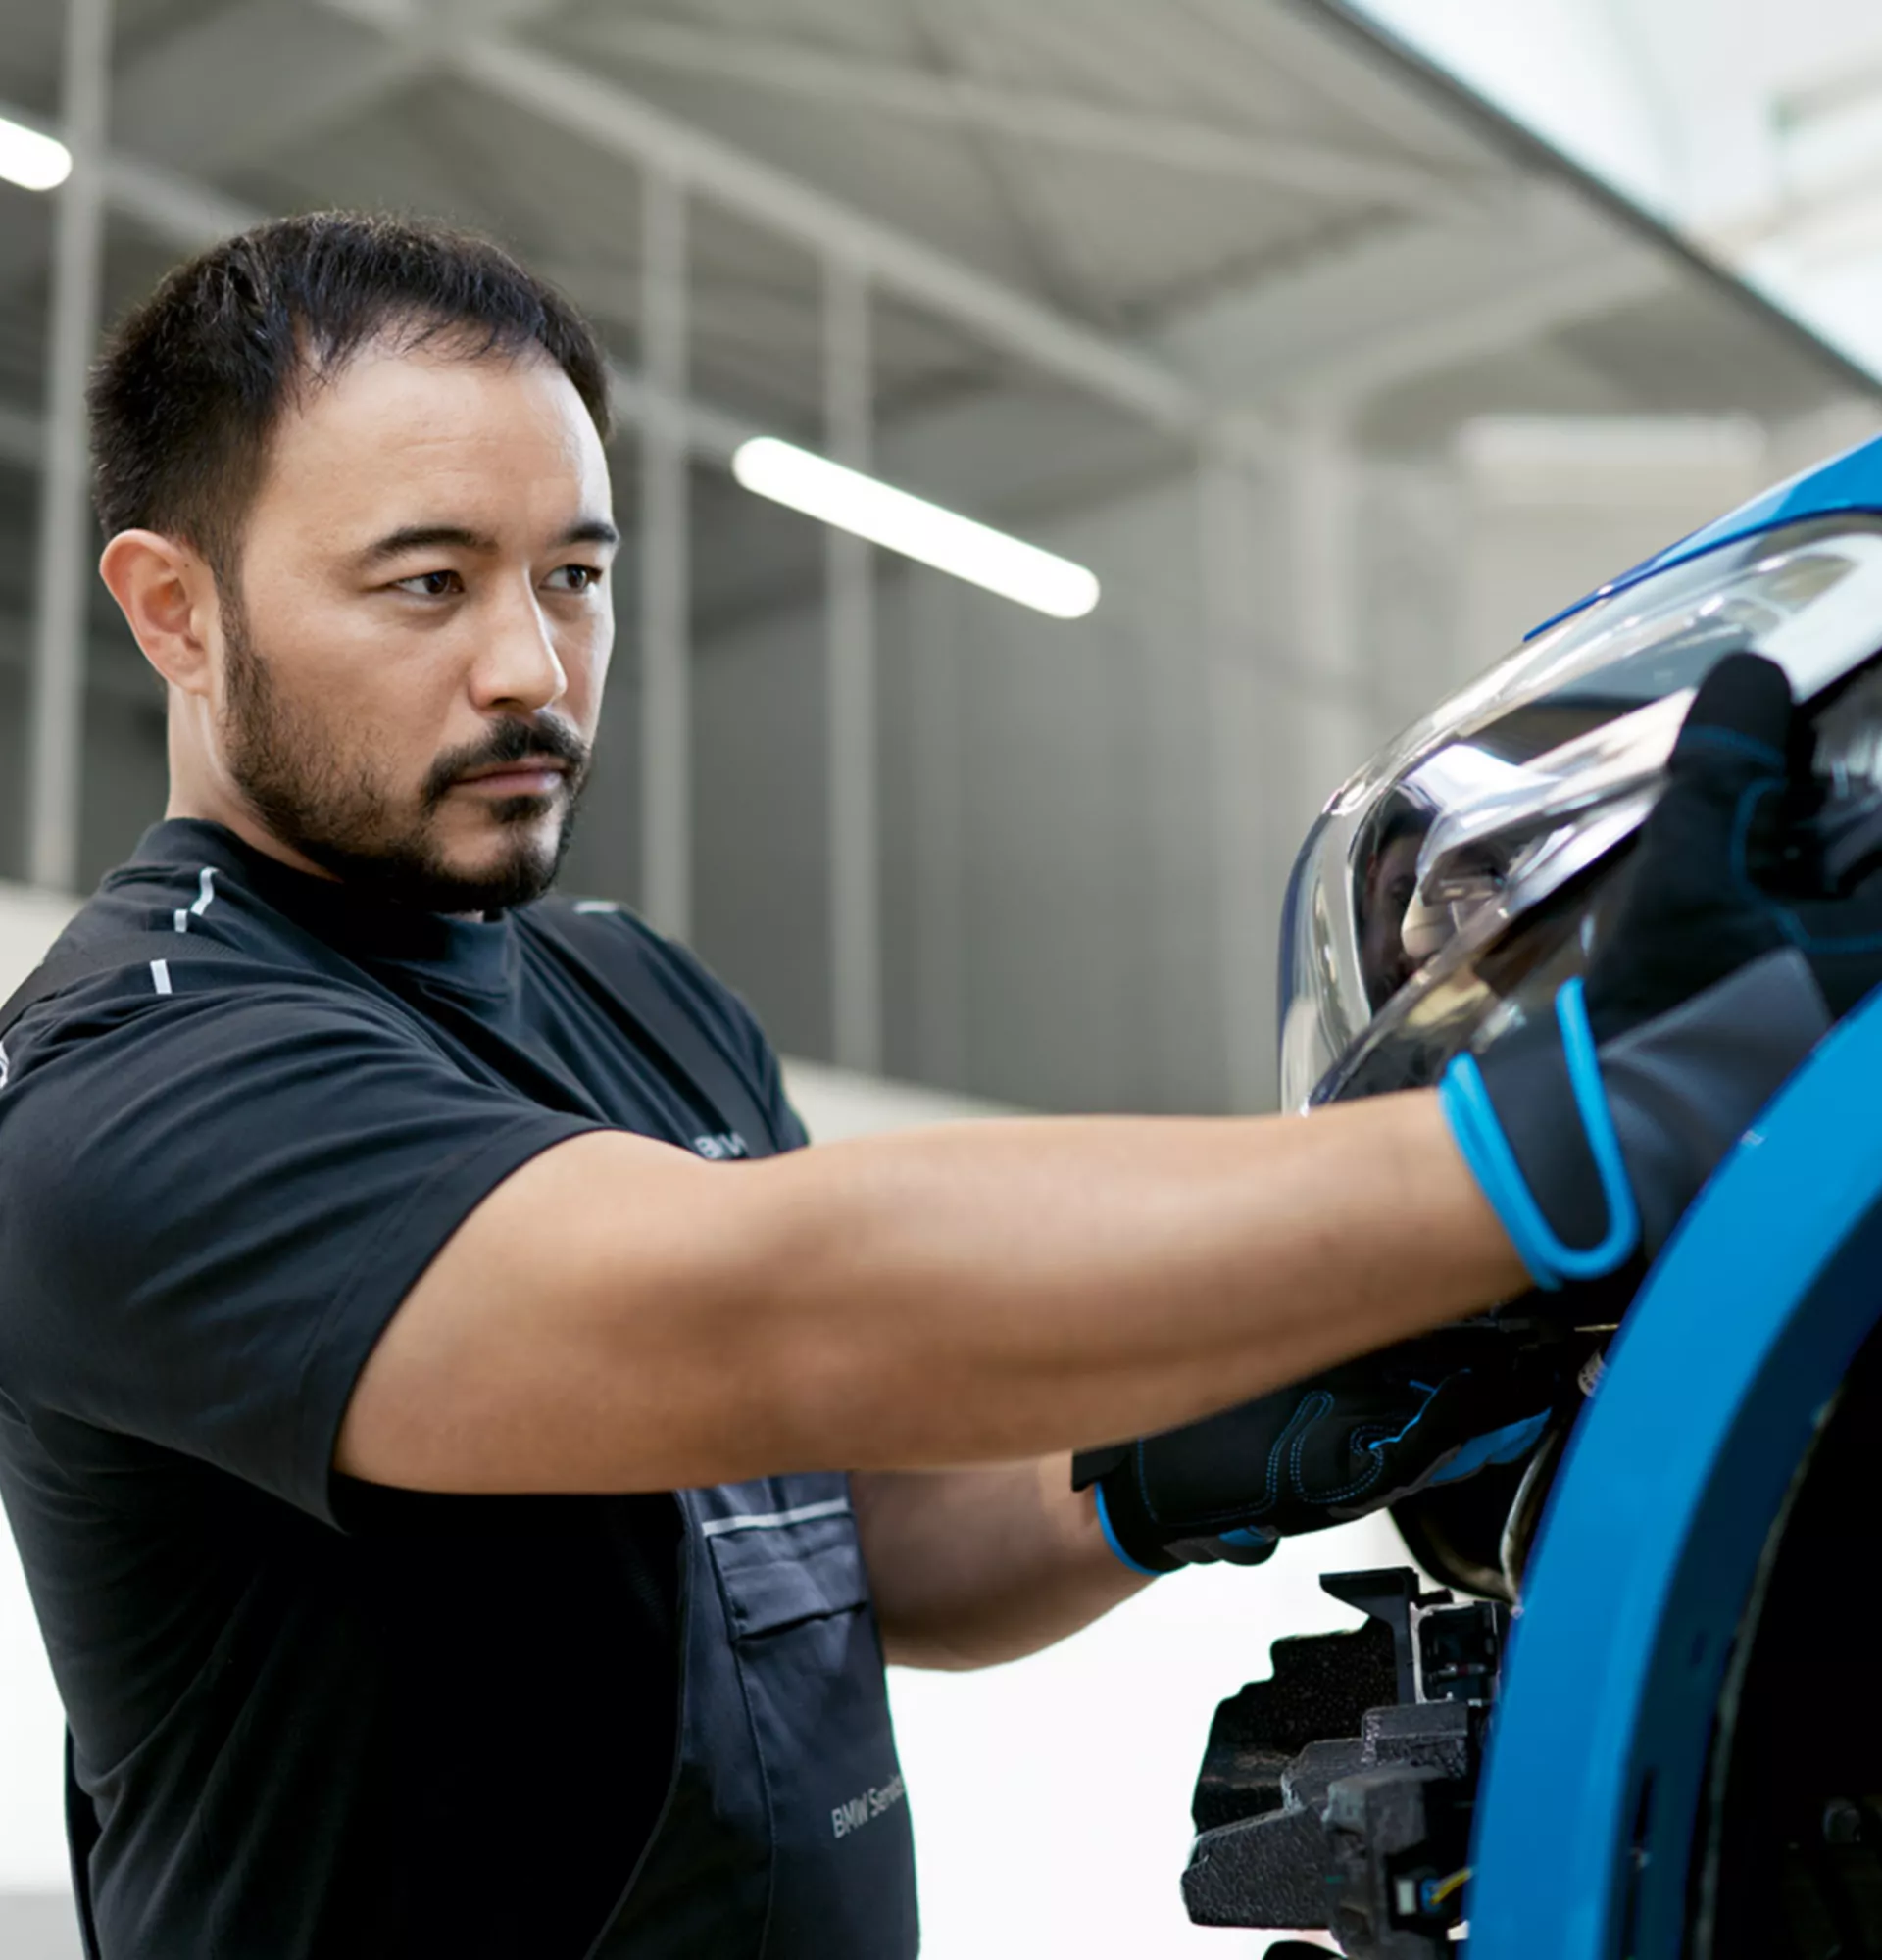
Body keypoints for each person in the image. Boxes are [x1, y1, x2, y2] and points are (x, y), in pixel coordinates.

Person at [0, 213, 1873, 1960]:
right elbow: (760, 1315)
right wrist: (1555, 1147)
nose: (531, 668)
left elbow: (862, 1534)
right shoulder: (124, 1091)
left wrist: (1208, 1449)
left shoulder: (635, 1002)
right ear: (174, 610)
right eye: (429, 584)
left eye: (574, 575)